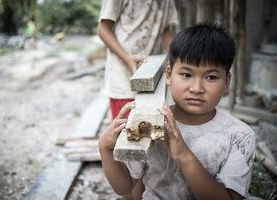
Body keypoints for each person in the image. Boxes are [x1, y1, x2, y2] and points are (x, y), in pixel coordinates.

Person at [99, 23, 256, 200]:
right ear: (168, 75)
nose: (197, 88)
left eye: (211, 77)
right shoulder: (150, 121)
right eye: (186, 75)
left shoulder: (239, 136)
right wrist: (105, 148)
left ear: (227, 82)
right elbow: (124, 186)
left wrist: (184, 155)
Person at [97, 0, 178, 120]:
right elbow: (103, 30)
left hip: (154, 77)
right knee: (126, 130)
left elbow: (165, 31)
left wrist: (180, 59)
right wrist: (128, 59)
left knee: (154, 128)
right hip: (123, 80)